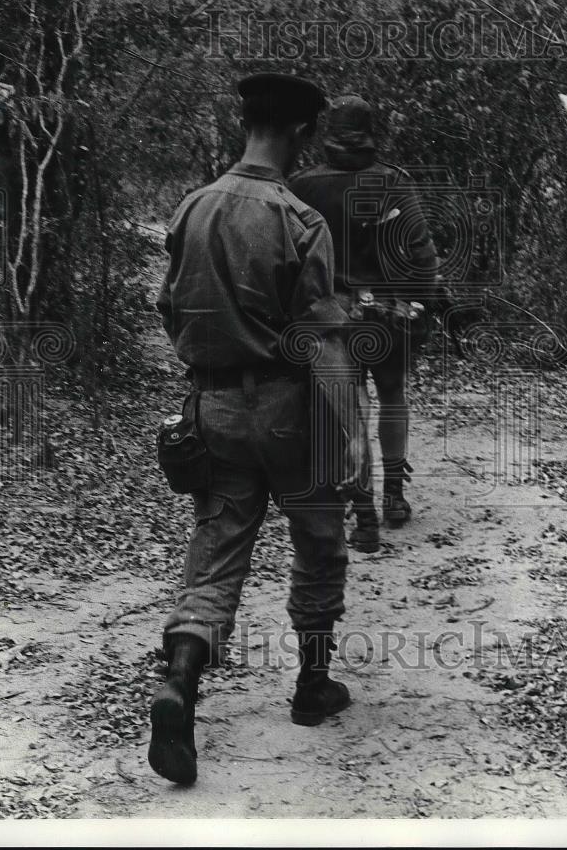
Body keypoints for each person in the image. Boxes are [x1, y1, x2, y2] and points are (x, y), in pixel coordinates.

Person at [152, 73, 369, 786]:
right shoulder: (296, 220)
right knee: (317, 541)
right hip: (288, 411)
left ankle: (179, 679)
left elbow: (169, 312)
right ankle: (312, 686)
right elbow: (322, 340)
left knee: (216, 551)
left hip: (211, 408)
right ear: (304, 134)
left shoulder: (191, 208)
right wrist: (352, 439)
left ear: (243, 124)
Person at [290, 95, 439, 553]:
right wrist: (422, 306)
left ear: (327, 132)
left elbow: (285, 259)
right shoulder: (393, 182)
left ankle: (365, 513)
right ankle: (393, 494)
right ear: (372, 131)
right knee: (392, 394)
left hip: (328, 318)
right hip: (388, 315)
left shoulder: (299, 186)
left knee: (349, 414)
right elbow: (422, 256)